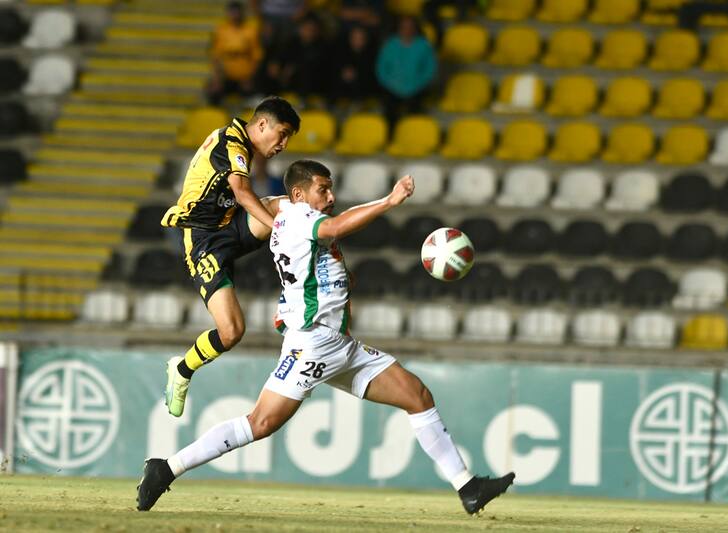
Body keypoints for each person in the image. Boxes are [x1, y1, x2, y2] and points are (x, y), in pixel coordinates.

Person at [138, 160, 516, 514]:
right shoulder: (300, 216)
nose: (331, 197)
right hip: (314, 344)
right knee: (260, 423)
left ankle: (467, 488)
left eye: (331, 189)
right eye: (323, 189)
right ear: (299, 194)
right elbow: (333, 230)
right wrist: (389, 200)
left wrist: (313, 292)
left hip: (340, 344)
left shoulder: (300, 217)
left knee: (417, 396)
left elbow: (311, 263)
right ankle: (166, 468)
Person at [160, 96, 300, 418]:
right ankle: (182, 370)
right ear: (262, 124)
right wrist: (278, 229)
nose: (284, 143)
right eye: (282, 133)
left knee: (281, 204)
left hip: (229, 225)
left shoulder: (242, 146)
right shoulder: (231, 142)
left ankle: (312, 261)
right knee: (232, 331)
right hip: (203, 239)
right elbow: (241, 191)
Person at [375, 16, 438, 127]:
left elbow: (430, 69)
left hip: (417, 88)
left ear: (415, 29)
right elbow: (381, 68)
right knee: (389, 112)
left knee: (415, 114)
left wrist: (417, 85)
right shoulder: (390, 45)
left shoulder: (424, 45)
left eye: (410, 27)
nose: (407, 30)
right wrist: (391, 84)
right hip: (391, 87)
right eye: (403, 27)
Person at [206, 1, 262, 105]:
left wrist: (250, 77)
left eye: (237, 12)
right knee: (213, 90)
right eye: (232, 12)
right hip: (226, 76)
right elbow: (215, 56)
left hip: (245, 76)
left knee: (252, 92)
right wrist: (217, 78)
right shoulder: (221, 30)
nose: (235, 16)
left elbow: (257, 57)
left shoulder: (251, 30)